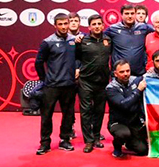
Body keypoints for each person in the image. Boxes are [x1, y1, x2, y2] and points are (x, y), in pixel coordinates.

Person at [34, 13, 77, 155]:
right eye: (61, 24)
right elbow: (39, 62)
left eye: (66, 23)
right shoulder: (47, 42)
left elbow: (81, 58)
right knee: (46, 115)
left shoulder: (73, 40)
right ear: (55, 25)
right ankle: (45, 143)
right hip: (51, 86)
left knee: (68, 115)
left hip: (69, 85)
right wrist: (44, 79)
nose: (64, 27)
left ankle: (65, 140)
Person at [75, 14, 111, 153]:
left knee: (99, 111)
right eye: (94, 24)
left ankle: (96, 137)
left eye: (99, 24)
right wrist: (76, 69)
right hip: (86, 81)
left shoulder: (108, 40)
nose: (97, 26)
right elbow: (75, 58)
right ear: (89, 27)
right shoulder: (82, 41)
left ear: (103, 25)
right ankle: (88, 141)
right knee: (85, 112)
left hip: (102, 82)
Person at [106, 59, 148, 158]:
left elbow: (152, 76)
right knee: (123, 134)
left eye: (127, 71)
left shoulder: (136, 80)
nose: (125, 74)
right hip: (118, 123)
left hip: (134, 122)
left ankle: (128, 143)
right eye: (122, 72)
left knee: (143, 150)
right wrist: (138, 91)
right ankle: (117, 146)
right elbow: (124, 105)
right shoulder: (111, 88)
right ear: (115, 74)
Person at [105, 3, 153, 76]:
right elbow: (98, 37)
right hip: (119, 75)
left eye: (132, 13)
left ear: (135, 14)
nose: (130, 16)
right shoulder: (113, 29)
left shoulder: (144, 27)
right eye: (127, 13)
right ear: (122, 15)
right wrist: (104, 40)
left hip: (139, 74)